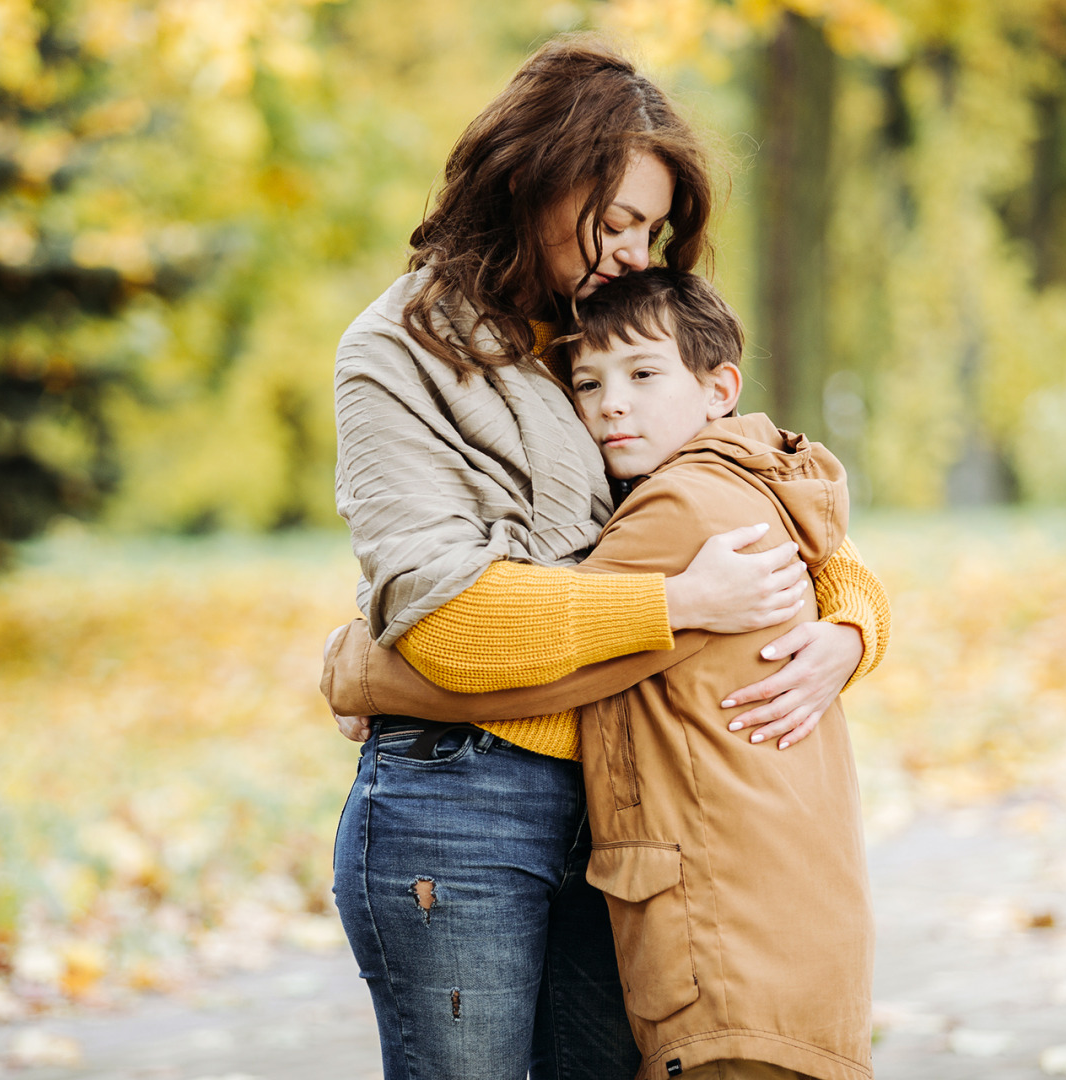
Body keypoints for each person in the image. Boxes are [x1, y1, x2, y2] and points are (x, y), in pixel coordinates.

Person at [327, 35, 889, 1080]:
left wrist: (850, 619)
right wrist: (683, 606)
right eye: (617, 220)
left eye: (652, 229)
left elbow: (757, 477)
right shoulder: (394, 354)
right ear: (532, 179)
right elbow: (452, 619)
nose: (636, 252)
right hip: (459, 806)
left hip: (626, 810)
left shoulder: (610, 336)